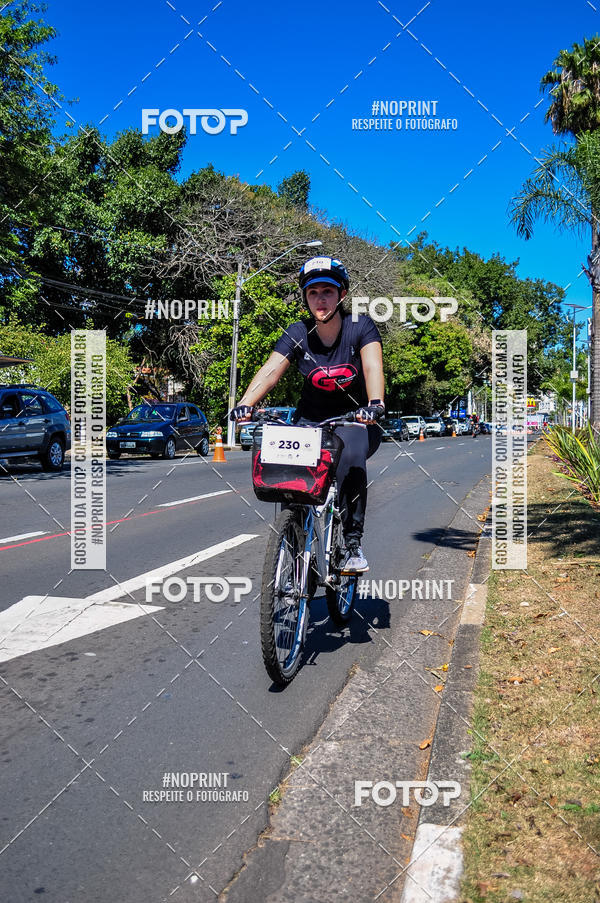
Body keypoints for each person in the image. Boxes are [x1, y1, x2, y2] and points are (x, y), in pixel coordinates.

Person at [230, 255, 385, 573]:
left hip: (354, 419)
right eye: (313, 292)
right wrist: (246, 403)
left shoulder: (360, 326)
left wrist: (375, 403)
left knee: (351, 458)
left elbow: (372, 366)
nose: (320, 299)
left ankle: (352, 545)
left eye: (328, 291)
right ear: (305, 297)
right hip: (310, 421)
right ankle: (294, 540)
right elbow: (271, 370)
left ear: (341, 294)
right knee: (289, 476)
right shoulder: (298, 332)